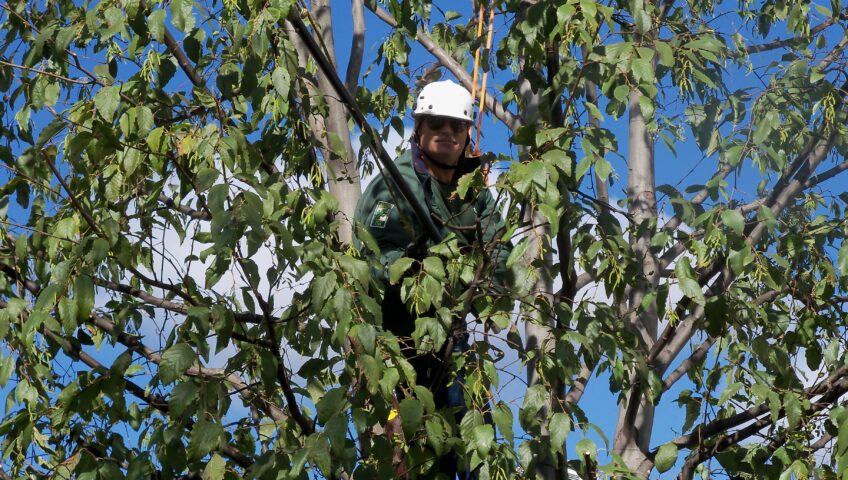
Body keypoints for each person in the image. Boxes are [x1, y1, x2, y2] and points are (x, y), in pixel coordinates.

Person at [354, 80, 511, 478]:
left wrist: (481, 283)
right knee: (413, 453)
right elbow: (374, 259)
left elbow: (501, 250)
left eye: (456, 126)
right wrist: (423, 269)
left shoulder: (473, 187)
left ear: (466, 134)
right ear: (419, 128)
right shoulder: (396, 182)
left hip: (449, 334)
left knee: (475, 435)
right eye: (436, 123)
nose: (446, 132)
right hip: (396, 341)